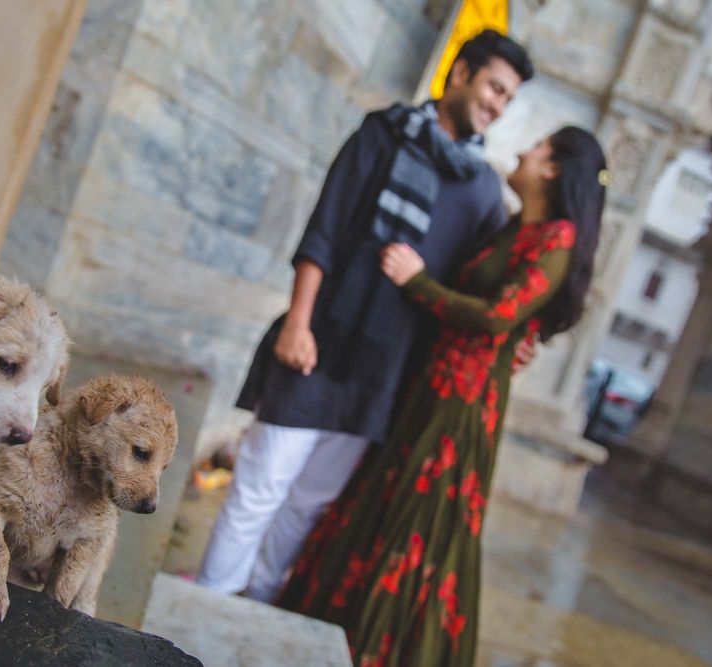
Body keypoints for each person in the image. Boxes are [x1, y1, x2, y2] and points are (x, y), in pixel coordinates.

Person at [196, 30, 534, 603]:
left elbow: (486, 288)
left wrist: (516, 333)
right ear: (460, 74)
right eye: (493, 87)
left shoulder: (482, 194)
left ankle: (255, 609)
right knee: (259, 485)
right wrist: (298, 322)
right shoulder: (383, 134)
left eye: (507, 99)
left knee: (309, 504)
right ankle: (202, 607)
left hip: (387, 374)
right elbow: (324, 229)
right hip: (319, 343)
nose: (497, 105)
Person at [276, 126, 608, 666]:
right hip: (431, 384)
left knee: (419, 519)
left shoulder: (559, 238)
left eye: (538, 146)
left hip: (464, 404)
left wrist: (417, 281)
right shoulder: (512, 227)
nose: (524, 148)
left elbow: (500, 315)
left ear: (552, 168)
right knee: (383, 500)